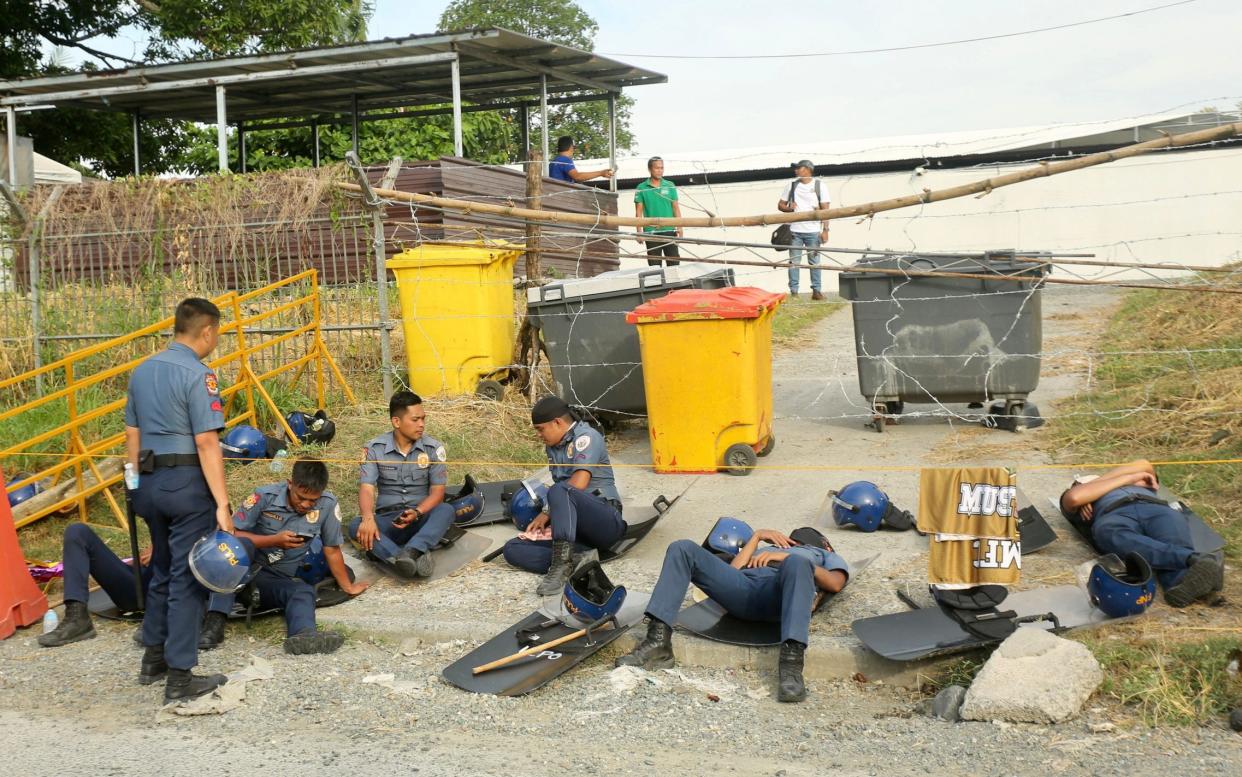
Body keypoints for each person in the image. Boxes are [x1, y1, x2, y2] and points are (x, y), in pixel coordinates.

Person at [124, 297, 232, 702]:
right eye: (217, 333)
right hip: (185, 485)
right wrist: (222, 503)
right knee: (188, 580)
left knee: (164, 570)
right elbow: (206, 442)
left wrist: (134, 489)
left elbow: (131, 439)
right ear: (207, 331)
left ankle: (153, 657)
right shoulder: (199, 375)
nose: (216, 340)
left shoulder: (142, 371)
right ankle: (181, 675)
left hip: (147, 485)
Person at [616, 526, 850, 703]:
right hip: (744, 591)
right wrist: (756, 537)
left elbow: (836, 583)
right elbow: (732, 572)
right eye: (791, 542)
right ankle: (658, 642)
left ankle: (790, 669)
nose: (793, 543)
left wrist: (790, 557)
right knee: (682, 547)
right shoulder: (768, 548)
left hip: (780, 596)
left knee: (798, 564)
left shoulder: (823, 555)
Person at [199, 458, 367, 654]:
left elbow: (331, 548)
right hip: (242, 568)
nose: (305, 504)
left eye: (312, 500)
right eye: (300, 497)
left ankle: (304, 636)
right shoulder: (264, 496)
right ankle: (213, 626)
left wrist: (347, 586)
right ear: (290, 484)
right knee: (239, 546)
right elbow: (230, 534)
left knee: (302, 591)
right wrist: (273, 540)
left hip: (269, 579)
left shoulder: (327, 504)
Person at [501, 396, 625, 595]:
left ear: (557, 422)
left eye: (541, 429)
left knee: (559, 489)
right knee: (512, 548)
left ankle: (560, 566)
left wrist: (549, 512)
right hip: (576, 530)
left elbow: (578, 484)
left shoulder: (587, 437)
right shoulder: (553, 446)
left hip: (604, 520)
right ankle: (579, 560)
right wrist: (546, 518)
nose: (539, 435)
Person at [1060, 460, 1224, 607]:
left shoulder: (1129, 476)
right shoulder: (1078, 496)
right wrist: (1130, 479)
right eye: (1080, 483)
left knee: (1173, 539)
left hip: (1156, 508)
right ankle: (1193, 560)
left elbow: (1144, 464)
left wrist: (1096, 487)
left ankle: (1182, 585)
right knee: (1110, 534)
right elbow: (1074, 498)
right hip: (1114, 514)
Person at [349, 391, 454, 579]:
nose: (421, 424)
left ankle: (410, 551)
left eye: (423, 419)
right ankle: (405, 557)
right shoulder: (374, 449)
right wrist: (367, 518)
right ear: (396, 422)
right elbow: (366, 488)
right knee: (356, 525)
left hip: (420, 519)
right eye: (415, 419)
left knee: (446, 509)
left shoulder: (433, 449)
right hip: (389, 521)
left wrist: (418, 512)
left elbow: (438, 492)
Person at [37, 524, 153, 647]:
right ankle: (77, 618)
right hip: (139, 583)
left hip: (167, 590)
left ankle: (159, 620)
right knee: (77, 531)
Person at [776, 160, 830, 300]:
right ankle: (794, 292)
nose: (795, 170)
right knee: (794, 263)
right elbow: (780, 205)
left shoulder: (820, 186)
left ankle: (816, 291)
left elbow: (826, 210)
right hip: (794, 231)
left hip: (813, 231)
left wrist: (826, 230)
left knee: (815, 262)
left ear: (807, 169)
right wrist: (789, 208)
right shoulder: (791, 185)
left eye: (798, 168)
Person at [634, 156, 682, 267]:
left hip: (670, 230)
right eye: (657, 168)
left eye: (662, 168)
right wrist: (639, 232)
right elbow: (638, 212)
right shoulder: (641, 188)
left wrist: (680, 227)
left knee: (674, 264)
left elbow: (675, 208)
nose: (660, 170)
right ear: (650, 169)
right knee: (654, 267)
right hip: (651, 232)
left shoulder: (670, 185)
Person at [549, 136, 614, 185]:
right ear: (571, 147)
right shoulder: (565, 160)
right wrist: (601, 173)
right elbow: (577, 177)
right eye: (574, 148)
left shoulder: (552, 162)